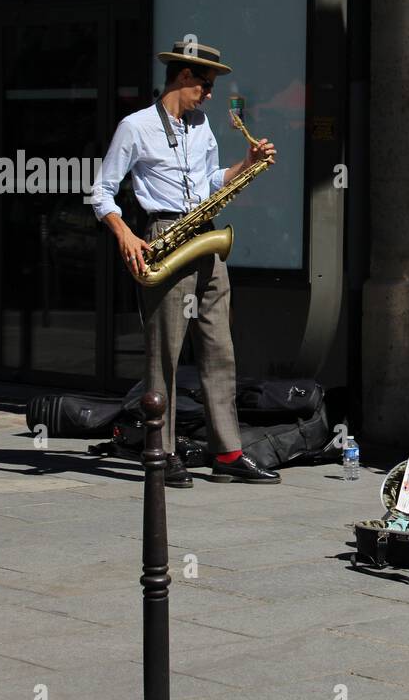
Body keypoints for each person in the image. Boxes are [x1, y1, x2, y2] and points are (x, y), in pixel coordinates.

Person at [88, 40, 278, 487]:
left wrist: (244, 165)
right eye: (206, 85)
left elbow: (212, 180)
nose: (210, 94)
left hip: (205, 233)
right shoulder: (135, 127)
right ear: (185, 77)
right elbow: (101, 192)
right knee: (165, 354)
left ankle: (228, 452)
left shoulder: (202, 124)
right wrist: (126, 235)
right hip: (164, 236)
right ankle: (163, 450)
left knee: (219, 349)